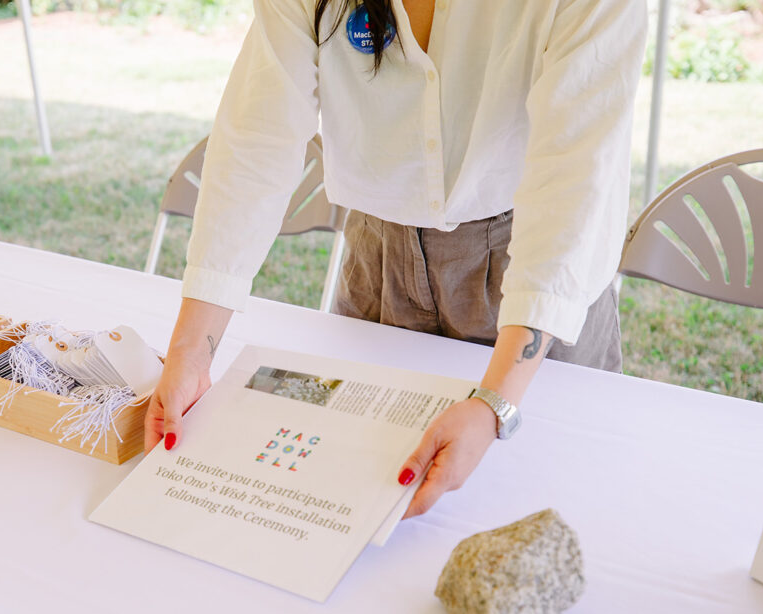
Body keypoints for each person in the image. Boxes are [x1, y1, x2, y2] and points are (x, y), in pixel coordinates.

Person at [144, 0, 647, 519]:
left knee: (538, 505)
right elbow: (257, 138)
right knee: (347, 495)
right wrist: (191, 354)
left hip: (531, 274)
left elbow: (573, 183)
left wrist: (496, 402)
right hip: (378, 257)